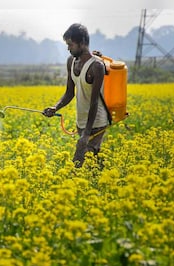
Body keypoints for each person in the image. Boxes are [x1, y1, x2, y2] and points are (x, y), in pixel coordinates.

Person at [43, 23, 111, 168]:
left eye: (70, 45)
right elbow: (69, 93)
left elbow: (94, 103)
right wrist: (55, 107)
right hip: (81, 122)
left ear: (82, 43)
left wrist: (86, 134)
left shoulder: (96, 66)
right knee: (93, 164)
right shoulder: (71, 62)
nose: (68, 48)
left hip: (96, 123)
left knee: (78, 163)